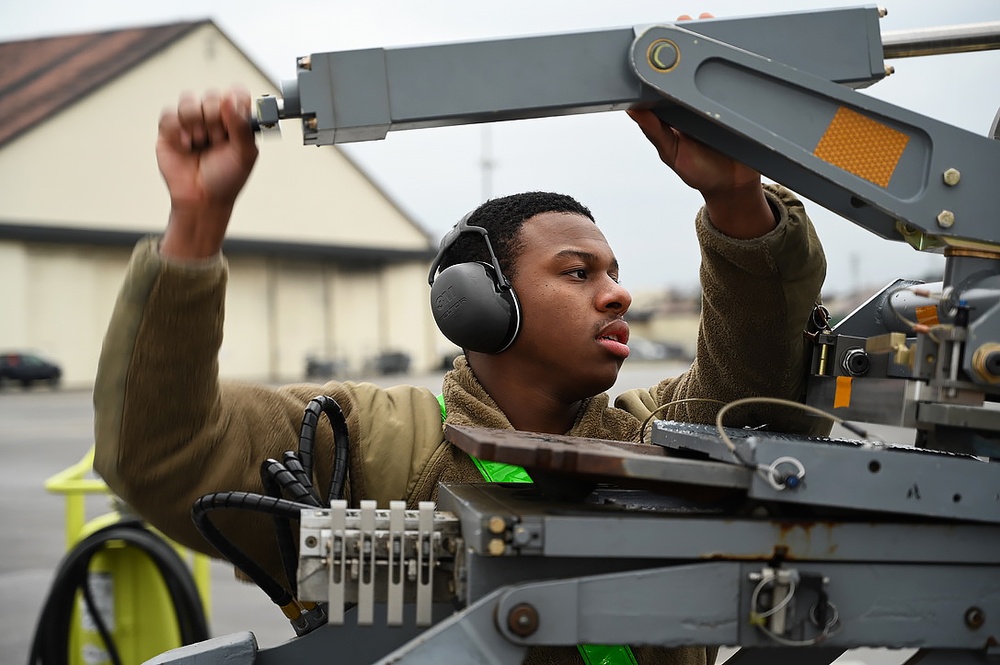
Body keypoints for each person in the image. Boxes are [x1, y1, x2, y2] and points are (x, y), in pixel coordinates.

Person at [92, 83, 826, 665]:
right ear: (476, 301)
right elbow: (165, 451)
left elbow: (753, 385)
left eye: (614, 273)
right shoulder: (374, 445)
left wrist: (735, 200)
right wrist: (195, 221)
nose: (617, 293)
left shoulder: (655, 442)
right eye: (577, 272)